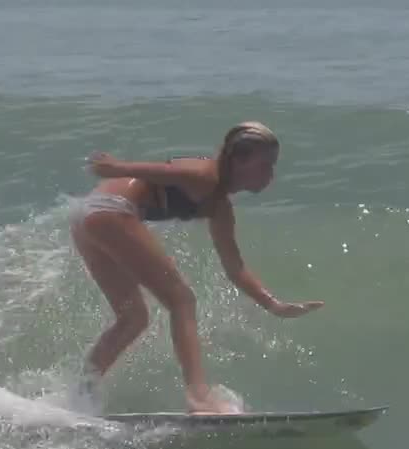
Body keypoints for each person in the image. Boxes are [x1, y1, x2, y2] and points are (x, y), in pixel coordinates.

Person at [68, 121, 323, 414]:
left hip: (86, 216)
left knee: (133, 318)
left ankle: (82, 392)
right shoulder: (206, 176)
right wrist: (119, 167)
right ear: (238, 159)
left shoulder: (219, 206)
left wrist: (273, 305)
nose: (270, 174)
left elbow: (235, 267)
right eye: (265, 164)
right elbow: (167, 172)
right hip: (109, 212)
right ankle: (199, 396)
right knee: (182, 299)